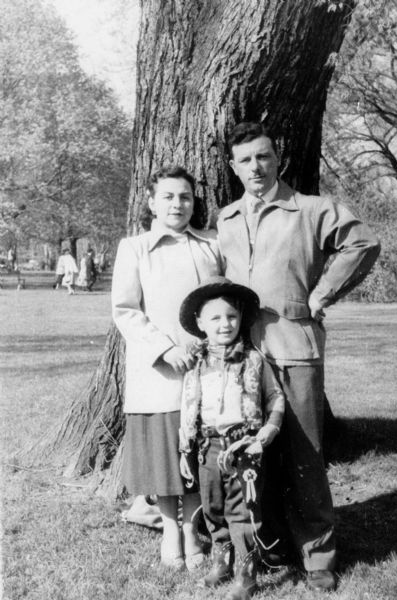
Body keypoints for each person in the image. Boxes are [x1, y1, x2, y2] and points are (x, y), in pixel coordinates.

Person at [217, 122, 381, 591]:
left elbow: (363, 242)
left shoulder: (310, 209)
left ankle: (318, 556)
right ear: (233, 167)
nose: (255, 166)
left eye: (263, 156)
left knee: (305, 457)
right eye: (245, 159)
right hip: (242, 359)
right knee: (251, 459)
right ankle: (268, 547)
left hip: (295, 350)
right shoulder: (226, 219)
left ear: (278, 159)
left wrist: (324, 292)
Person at [111, 165, 222, 571]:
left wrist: (209, 342)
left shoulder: (210, 244)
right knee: (166, 454)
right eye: (169, 197)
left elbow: (222, 300)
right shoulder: (135, 248)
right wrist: (164, 348)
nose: (178, 204)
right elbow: (125, 310)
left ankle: (193, 530)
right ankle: (171, 530)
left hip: (206, 367)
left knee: (195, 449)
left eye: (186, 197)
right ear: (151, 201)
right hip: (158, 369)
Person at [178, 276, 285, 600]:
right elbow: (187, 406)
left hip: (244, 448)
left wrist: (266, 433)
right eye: (215, 318)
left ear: (241, 320)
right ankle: (221, 562)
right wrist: (186, 448)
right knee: (212, 507)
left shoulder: (254, 360)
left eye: (232, 317)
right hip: (207, 448)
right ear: (200, 323)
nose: (225, 324)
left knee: (242, 510)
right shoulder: (195, 363)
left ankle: (246, 573)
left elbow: (275, 397)